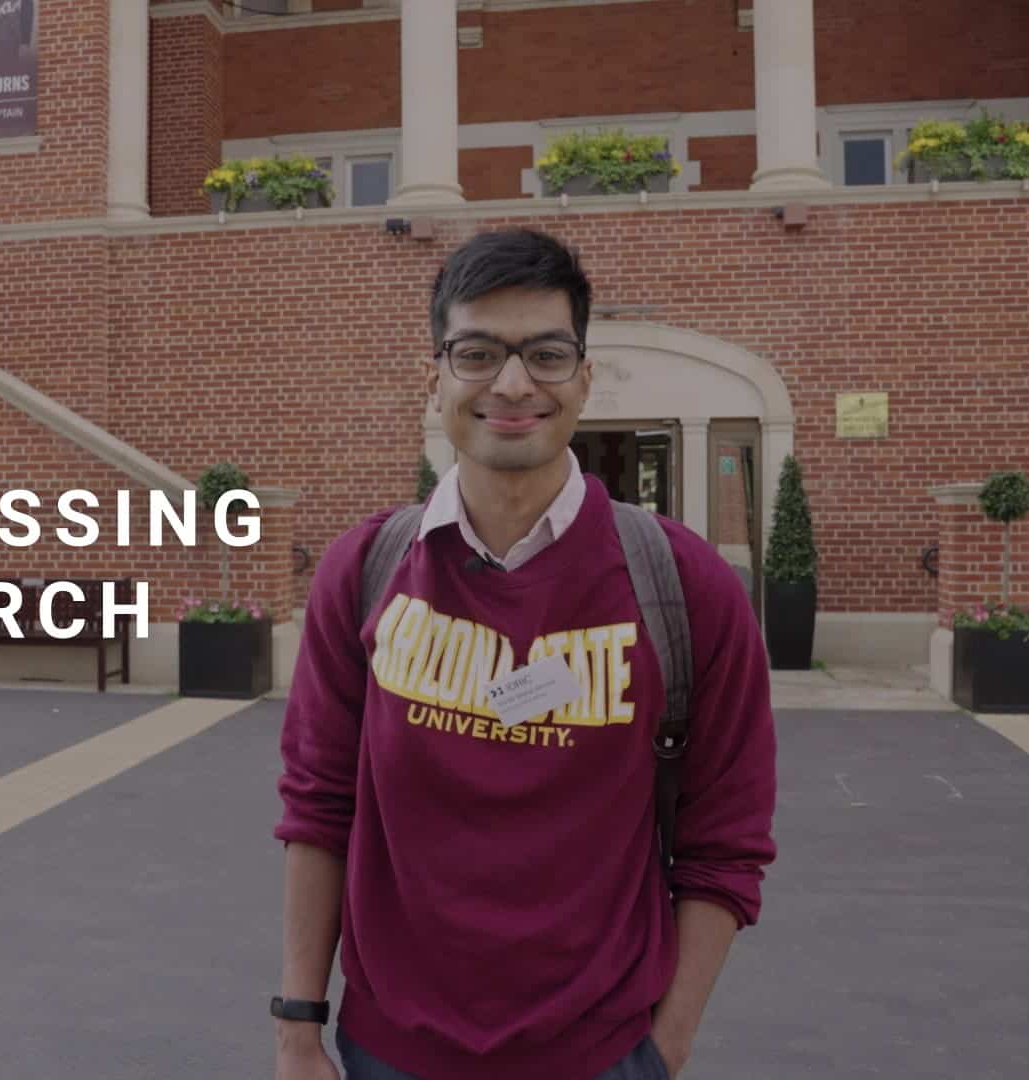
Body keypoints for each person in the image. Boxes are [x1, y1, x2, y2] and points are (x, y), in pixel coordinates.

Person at [271, 227, 778, 1080]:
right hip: (389, 1049)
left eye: (546, 353)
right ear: (434, 378)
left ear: (584, 377)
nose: (512, 383)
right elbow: (320, 808)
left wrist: (668, 1044)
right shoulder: (365, 572)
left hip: (602, 1053)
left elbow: (725, 842)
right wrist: (296, 1029)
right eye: (477, 352)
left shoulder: (684, 586)